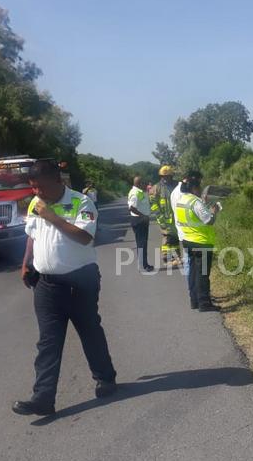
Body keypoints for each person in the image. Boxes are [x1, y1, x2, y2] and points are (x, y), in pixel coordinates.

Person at [14, 160, 117, 416]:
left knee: (89, 330)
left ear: (57, 181)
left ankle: (105, 378)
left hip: (80, 281)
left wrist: (52, 216)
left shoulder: (82, 203)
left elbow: (85, 237)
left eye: (40, 187)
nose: (36, 192)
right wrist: (26, 262)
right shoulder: (35, 203)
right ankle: (43, 398)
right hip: (46, 284)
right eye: (33, 187)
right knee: (48, 341)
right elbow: (32, 234)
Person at [174, 171, 220, 311]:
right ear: (194, 188)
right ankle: (204, 303)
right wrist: (214, 211)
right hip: (201, 242)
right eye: (199, 188)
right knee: (203, 274)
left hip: (188, 240)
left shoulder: (181, 201)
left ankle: (194, 301)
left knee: (194, 272)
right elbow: (209, 220)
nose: (200, 190)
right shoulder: (195, 202)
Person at [150, 165, 180, 266]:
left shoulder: (177, 185)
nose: (165, 178)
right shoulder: (156, 188)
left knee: (176, 237)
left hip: (177, 216)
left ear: (171, 176)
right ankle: (166, 258)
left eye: (167, 176)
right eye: (163, 176)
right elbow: (153, 203)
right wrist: (159, 215)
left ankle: (175, 257)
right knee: (167, 237)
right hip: (164, 217)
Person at [128, 176, 153, 272]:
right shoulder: (135, 193)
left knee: (143, 243)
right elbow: (131, 208)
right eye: (143, 183)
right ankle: (143, 266)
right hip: (139, 220)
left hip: (142, 220)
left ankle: (144, 264)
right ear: (138, 183)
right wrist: (143, 216)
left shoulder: (140, 191)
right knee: (141, 243)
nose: (145, 184)